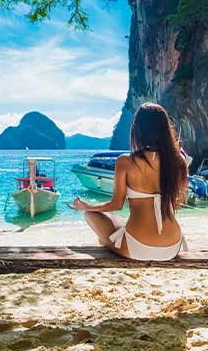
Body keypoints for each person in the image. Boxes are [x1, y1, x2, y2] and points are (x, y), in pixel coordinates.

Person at [69, 102, 188, 261]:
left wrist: (87, 206)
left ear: (138, 130)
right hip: (173, 245)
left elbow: (116, 204)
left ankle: (106, 243)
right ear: (165, 129)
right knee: (115, 220)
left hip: (139, 247)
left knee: (91, 215)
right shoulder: (179, 161)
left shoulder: (125, 161)